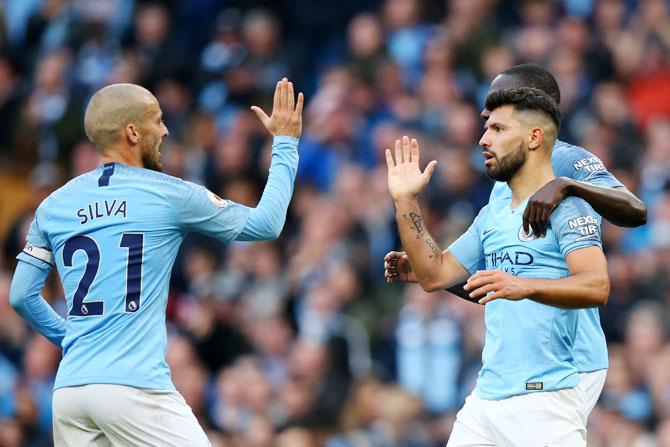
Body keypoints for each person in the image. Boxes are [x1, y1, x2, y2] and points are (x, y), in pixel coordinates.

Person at [9, 78, 303, 446]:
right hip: (133, 387)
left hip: (70, 392)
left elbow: (22, 295)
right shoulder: (167, 193)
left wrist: (71, 339)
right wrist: (286, 142)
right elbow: (267, 224)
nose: (165, 130)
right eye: (157, 119)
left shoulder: (54, 205)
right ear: (132, 132)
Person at [385, 64, 646, 422]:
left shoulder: (568, 159)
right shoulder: (502, 187)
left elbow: (636, 210)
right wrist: (440, 278)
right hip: (515, 364)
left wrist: (566, 185)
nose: (485, 114)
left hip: (572, 359)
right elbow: (508, 276)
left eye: (497, 107)